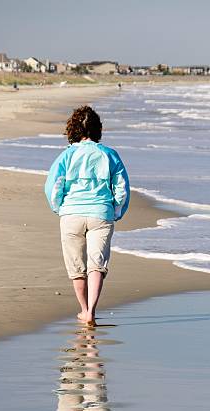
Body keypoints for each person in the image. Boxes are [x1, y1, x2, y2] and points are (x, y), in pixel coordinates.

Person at [45, 106, 130, 326]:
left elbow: (54, 187)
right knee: (97, 265)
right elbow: (121, 188)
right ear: (98, 129)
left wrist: (59, 208)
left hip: (71, 214)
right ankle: (92, 310)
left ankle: (83, 309)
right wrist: (116, 211)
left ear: (72, 130)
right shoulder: (109, 154)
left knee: (76, 267)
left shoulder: (66, 155)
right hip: (101, 213)